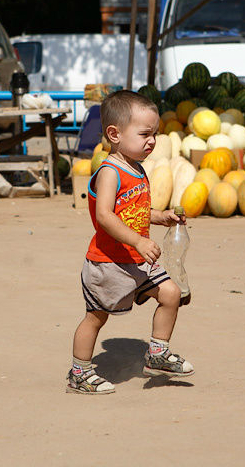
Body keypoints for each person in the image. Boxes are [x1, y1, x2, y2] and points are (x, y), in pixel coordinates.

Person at [67, 90, 194, 395]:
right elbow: (106, 216)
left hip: (137, 261)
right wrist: (138, 240)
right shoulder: (110, 171)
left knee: (171, 294)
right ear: (115, 134)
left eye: (155, 134)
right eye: (145, 134)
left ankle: (157, 354)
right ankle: (79, 373)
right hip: (107, 263)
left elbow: (132, 210)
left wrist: (158, 217)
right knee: (96, 317)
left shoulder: (136, 168)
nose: (152, 141)